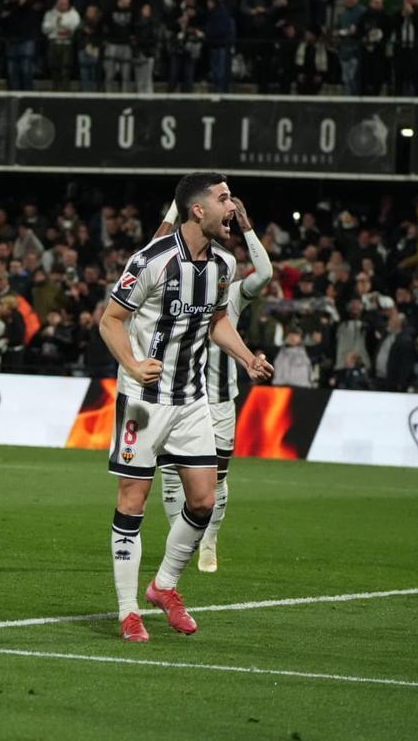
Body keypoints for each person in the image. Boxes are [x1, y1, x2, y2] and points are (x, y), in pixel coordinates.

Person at [99, 172, 273, 643]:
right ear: (198, 210)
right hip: (142, 402)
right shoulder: (151, 260)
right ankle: (127, 610)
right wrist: (133, 365)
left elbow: (217, 320)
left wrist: (247, 358)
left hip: (191, 399)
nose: (231, 207)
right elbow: (110, 320)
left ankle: (164, 586)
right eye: (223, 199)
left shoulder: (224, 263)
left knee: (204, 499)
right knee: (132, 504)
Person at [155, 196, 272, 574]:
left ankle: (208, 540)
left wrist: (247, 225)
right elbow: (150, 256)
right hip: (179, 394)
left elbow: (266, 274)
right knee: (171, 471)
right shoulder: (176, 286)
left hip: (220, 400)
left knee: (217, 476)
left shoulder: (231, 292)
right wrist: (175, 208)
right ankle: (180, 537)